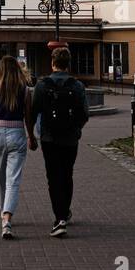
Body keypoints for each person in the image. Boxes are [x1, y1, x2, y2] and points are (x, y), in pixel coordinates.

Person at [32, 47, 89, 237]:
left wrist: (31, 135)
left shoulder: (42, 85)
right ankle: (64, 212)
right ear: (68, 63)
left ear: (52, 63)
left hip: (49, 138)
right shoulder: (77, 86)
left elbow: (33, 112)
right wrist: (77, 129)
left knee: (53, 177)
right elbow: (84, 113)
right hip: (71, 138)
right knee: (67, 175)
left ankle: (60, 218)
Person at [0, 57, 36, 238]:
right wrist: (31, 137)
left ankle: (3, 212)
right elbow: (28, 117)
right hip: (17, 134)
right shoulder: (25, 90)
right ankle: (7, 218)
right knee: (13, 179)